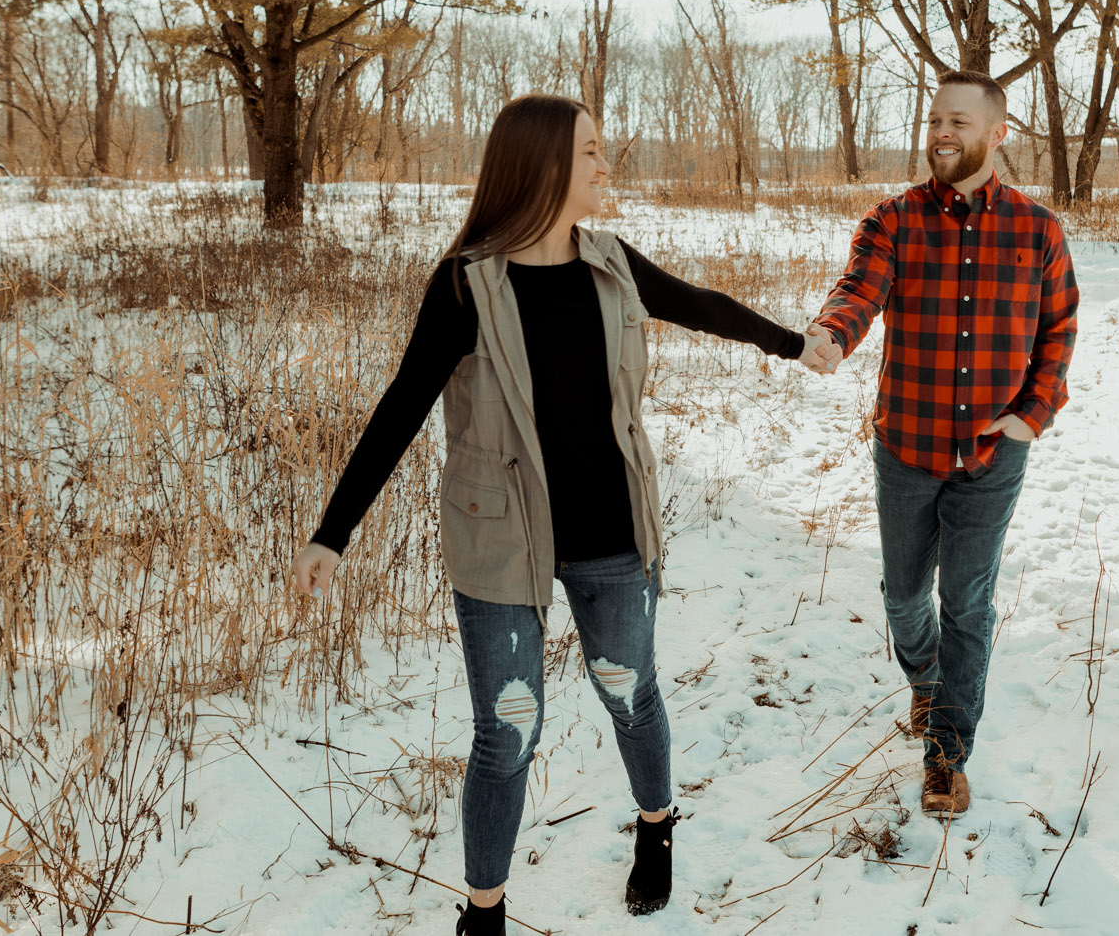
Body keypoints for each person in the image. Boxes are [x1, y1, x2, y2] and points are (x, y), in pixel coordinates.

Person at [290, 94, 809, 935]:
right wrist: (331, 531)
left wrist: (793, 342)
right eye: (593, 152)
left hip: (610, 534)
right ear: (544, 167)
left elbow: (703, 304)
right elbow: (402, 406)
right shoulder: (467, 283)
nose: (607, 166)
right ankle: (484, 913)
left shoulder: (611, 262)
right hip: (501, 538)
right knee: (506, 730)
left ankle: (655, 828)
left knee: (630, 693)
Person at [798, 69, 1079, 819]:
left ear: (998, 132)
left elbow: (1060, 330)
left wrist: (1032, 413)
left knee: (968, 603)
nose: (942, 132)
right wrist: (833, 333)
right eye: (934, 120)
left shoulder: (1038, 229)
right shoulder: (892, 220)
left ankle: (947, 754)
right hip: (908, 447)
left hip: (993, 453)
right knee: (902, 596)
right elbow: (859, 287)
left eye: (958, 120)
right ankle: (925, 680)